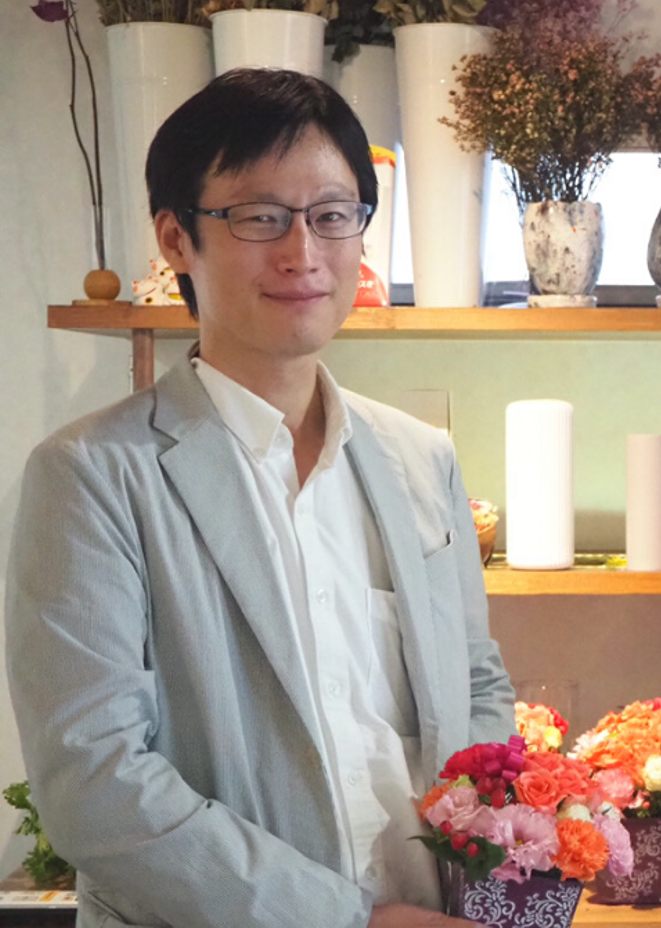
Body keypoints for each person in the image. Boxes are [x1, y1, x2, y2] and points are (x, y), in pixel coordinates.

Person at [5, 69, 514, 928]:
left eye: (332, 215)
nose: (302, 252)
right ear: (177, 238)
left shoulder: (420, 458)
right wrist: (347, 921)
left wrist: (496, 867)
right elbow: (94, 781)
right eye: (259, 216)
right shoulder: (93, 475)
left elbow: (475, 684)